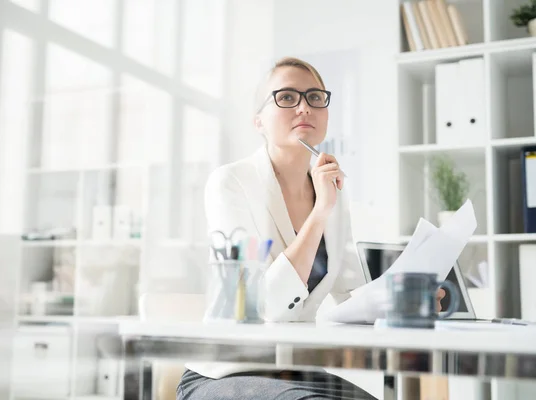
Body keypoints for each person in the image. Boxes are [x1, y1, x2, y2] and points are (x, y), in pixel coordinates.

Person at [176, 57, 445, 400]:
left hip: (299, 372)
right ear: (259, 120)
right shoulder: (230, 183)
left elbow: (350, 295)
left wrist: (404, 300)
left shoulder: (330, 193)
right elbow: (263, 304)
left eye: (315, 97)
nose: (304, 107)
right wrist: (321, 212)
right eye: (286, 98)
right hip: (225, 373)